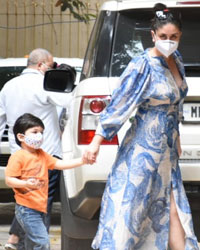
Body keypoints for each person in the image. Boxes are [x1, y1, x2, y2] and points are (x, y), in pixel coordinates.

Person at [83, 3, 200, 250]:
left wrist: (176, 138)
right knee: (131, 210)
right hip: (142, 150)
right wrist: (96, 141)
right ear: (153, 35)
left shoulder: (176, 60)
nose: (169, 41)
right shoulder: (141, 65)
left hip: (166, 151)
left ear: (180, 36)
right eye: (164, 37)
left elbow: (175, 102)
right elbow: (118, 105)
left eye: (174, 37)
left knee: (172, 207)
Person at [0, 48, 72, 250]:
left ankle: (16, 240)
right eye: (51, 66)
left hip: (18, 154)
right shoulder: (44, 83)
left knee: (24, 199)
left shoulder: (8, 86)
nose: (52, 70)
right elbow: (68, 103)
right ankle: (35, 244)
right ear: (41, 65)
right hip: (44, 154)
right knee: (41, 204)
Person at [5, 113, 89, 250]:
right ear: (21, 137)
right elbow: (9, 180)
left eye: (41, 132)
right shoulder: (18, 157)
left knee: (32, 242)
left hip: (40, 208)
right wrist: (25, 184)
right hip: (27, 209)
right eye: (35, 132)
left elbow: (59, 164)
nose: (39, 136)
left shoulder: (41, 154)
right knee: (42, 241)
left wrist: (82, 161)